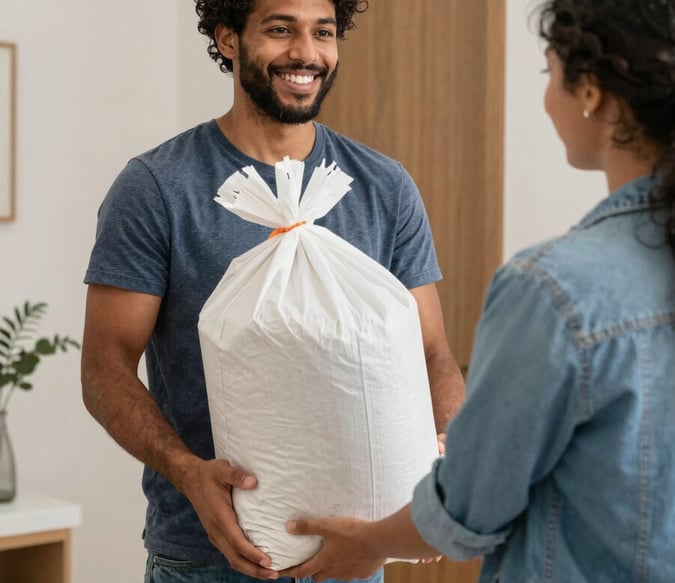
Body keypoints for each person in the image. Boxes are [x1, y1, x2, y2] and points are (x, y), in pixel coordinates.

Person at [280, 1, 675, 581]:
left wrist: (368, 542)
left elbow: (467, 507)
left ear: (592, 93)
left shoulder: (554, 291)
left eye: (550, 73)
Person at [80, 0, 465, 581]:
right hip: (206, 555)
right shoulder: (158, 187)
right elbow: (104, 367)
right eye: (281, 29)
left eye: (323, 32)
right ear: (229, 39)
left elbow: (431, 352)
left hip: (358, 555)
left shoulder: (383, 187)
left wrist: (445, 472)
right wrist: (187, 472)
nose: (307, 53)